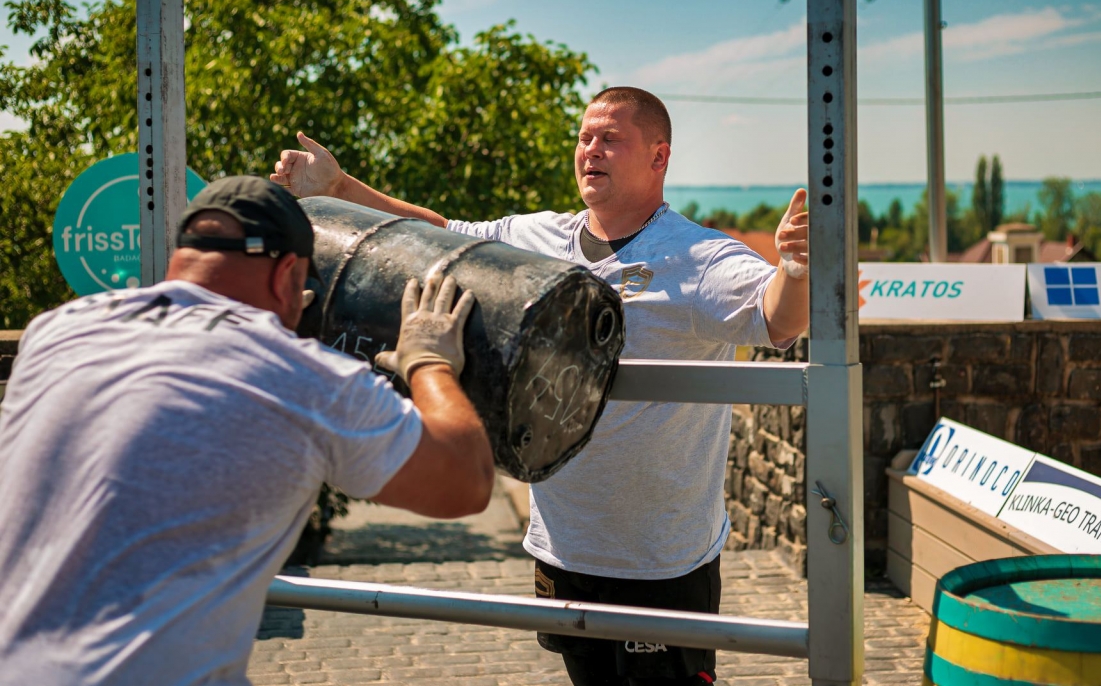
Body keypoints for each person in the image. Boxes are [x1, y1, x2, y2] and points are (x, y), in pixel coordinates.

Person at [272, 87, 810, 685]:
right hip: (562, 548)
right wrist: (338, 187)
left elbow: (778, 319)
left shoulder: (700, 257)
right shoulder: (536, 238)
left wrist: (795, 270)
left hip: (661, 561)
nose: (591, 150)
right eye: (584, 138)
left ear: (659, 157)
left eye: (611, 139)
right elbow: (439, 236)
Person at [0, 176, 492, 685]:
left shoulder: (55, 333)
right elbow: (466, 481)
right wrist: (429, 361)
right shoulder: (299, 377)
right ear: (286, 274)